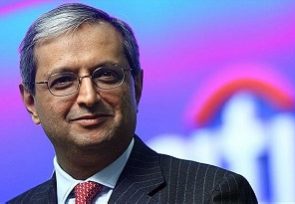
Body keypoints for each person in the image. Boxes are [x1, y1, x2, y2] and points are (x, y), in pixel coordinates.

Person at [8, 3, 257, 204]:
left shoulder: (213, 194)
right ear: (30, 102)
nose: (88, 97)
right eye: (63, 81)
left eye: (106, 74)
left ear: (136, 86)